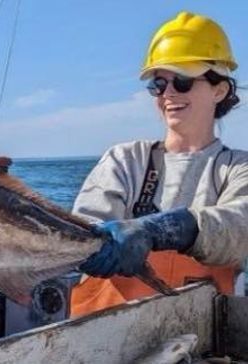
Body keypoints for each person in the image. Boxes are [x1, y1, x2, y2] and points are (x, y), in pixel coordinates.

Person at [70, 11, 248, 317]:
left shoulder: (237, 168)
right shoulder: (124, 160)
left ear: (219, 89)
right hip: (104, 339)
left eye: (182, 81)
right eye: (158, 84)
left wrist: (162, 230)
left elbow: (239, 227)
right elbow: (83, 230)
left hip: (201, 340)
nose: (168, 94)